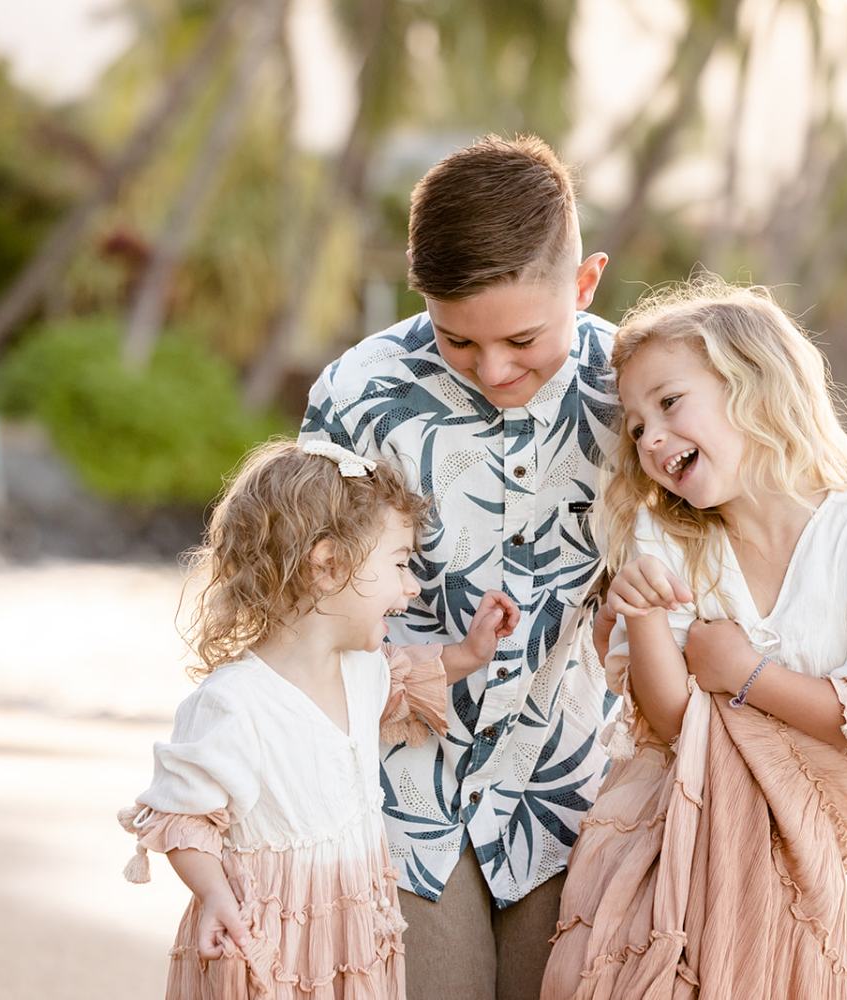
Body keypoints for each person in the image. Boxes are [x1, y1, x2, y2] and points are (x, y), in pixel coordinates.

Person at [542, 277, 847, 999]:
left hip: (792, 863)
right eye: (634, 426)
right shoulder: (664, 535)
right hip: (657, 852)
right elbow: (668, 722)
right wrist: (636, 610)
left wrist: (744, 672)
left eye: (668, 403)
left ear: (753, 384)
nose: (650, 438)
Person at [298, 134, 618, 1000]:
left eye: (522, 338)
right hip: (397, 789)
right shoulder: (359, 394)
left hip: (575, 791)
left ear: (584, 285)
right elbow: (302, 607)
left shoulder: (640, 388)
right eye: (457, 341)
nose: (494, 368)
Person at [118, 438, 519, 999]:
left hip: (349, 935)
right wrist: (213, 896)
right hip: (267, 943)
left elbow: (402, 675)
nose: (412, 586)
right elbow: (189, 819)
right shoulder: (237, 702)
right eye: (400, 564)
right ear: (329, 567)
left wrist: (470, 655)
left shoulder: (361, 671)